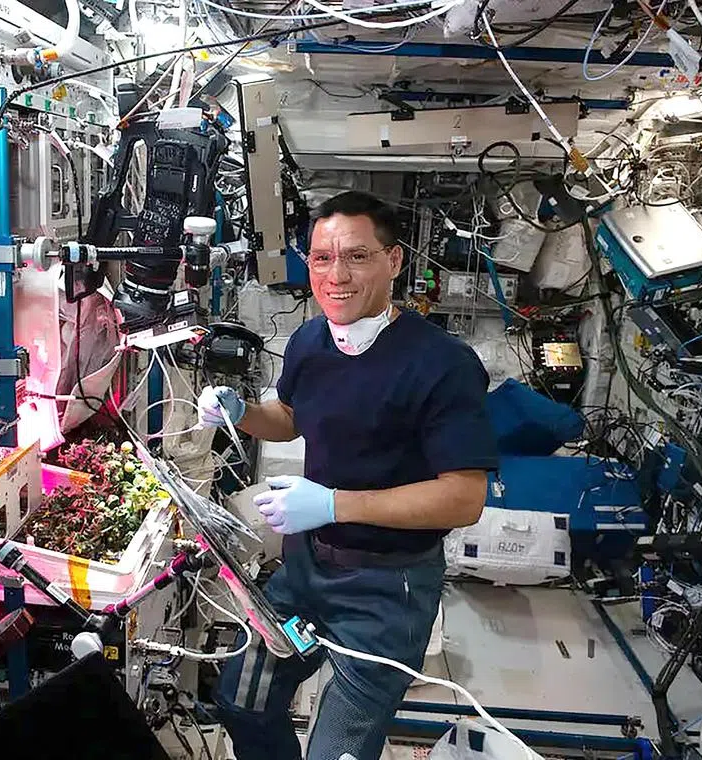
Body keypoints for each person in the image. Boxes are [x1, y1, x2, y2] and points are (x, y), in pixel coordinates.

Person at [197, 191, 499, 760]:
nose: (336, 276)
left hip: (387, 591)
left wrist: (335, 504)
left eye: (357, 257)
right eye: (321, 258)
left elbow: (464, 498)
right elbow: (288, 420)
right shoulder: (311, 339)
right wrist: (241, 410)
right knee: (243, 699)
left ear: (394, 261)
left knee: (336, 750)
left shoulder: (442, 364)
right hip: (304, 574)